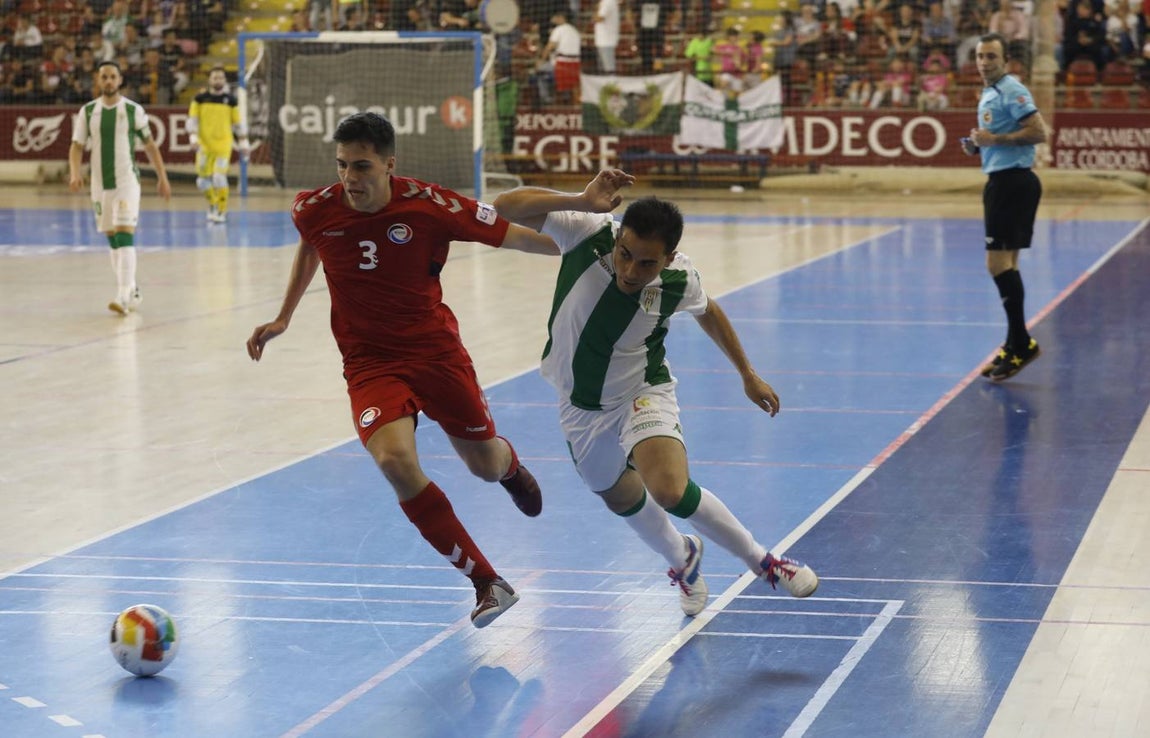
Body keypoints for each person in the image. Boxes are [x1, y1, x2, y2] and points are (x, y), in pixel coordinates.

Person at [245, 112, 556, 628]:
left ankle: (508, 467)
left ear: (390, 163)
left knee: (482, 463)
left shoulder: (432, 205)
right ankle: (487, 581)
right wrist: (284, 315)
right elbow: (311, 245)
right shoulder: (314, 208)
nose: (350, 178)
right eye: (342, 165)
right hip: (369, 363)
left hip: (435, 353)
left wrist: (588, 252)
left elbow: (513, 235)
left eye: (362, 166)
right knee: (393, 460)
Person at [492, 170, 820, 617]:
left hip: (641, 392)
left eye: (646, 263)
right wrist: (581, 199)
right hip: (579, 405)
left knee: (667, 489)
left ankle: (763, 562)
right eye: (624, 255)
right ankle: (683, 558)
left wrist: (747, 373)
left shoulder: (680, 280)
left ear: (668, 259)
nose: (629, 270)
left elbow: (709, 311)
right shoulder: (587, 231)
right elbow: (505, 206)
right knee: (618, 496)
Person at [960, 32, 1047, 381]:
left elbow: (1039, 131)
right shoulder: (989, 93)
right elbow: (999, 137)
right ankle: (1014, 343)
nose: (984, 63)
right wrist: (979, 145)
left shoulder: (1011, 89)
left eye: (991, 57)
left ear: (1005, 59)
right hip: (1002, 179)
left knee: (997, 264)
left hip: (1013, 182)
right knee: (1007, 265)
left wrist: (994, 140)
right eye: (980, 56)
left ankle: (1022, 342)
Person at [69, 60, 171, 316]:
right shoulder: (88, 111)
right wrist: (74, 173)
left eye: (113, 76)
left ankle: (123, 295)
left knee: (125, 234)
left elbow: (150, 145)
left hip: (127, 182)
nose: (109, 81)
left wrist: (162, 177)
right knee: (113, 240)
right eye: (104, 76)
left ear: (120, 80)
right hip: (100, 185)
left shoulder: (133, 110)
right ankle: (132, 289)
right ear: (97, 80)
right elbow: (77, 146)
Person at [188, 65, 250, 224]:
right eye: (215, 77)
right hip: (204, 146)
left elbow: (238, 123)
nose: (218, 80)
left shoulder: (231, 100)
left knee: (218, 177)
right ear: (210, 80)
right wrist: (193, 138)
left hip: (223, 146)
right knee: (202, 181)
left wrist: (243, 142)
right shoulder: (199, 99)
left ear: (225, 80)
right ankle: (213, 205)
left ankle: (222, 210)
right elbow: (193, 120)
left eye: (221, 77)